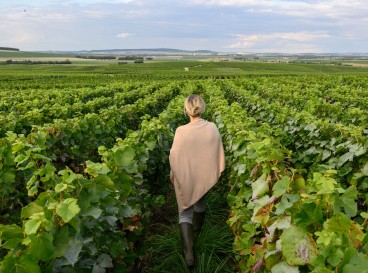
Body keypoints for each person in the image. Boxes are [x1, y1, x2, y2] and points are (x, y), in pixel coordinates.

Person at [169, 94, 225, 268]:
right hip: (204, 177)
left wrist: (175, 175)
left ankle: (188, 254)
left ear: (186, 110)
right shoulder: (213, 127)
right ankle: (197, 233)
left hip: (186, 177)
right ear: (203, 107)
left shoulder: (181, 131)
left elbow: (174, 156)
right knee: (200, 204)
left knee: (184, 212)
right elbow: (216, 152)